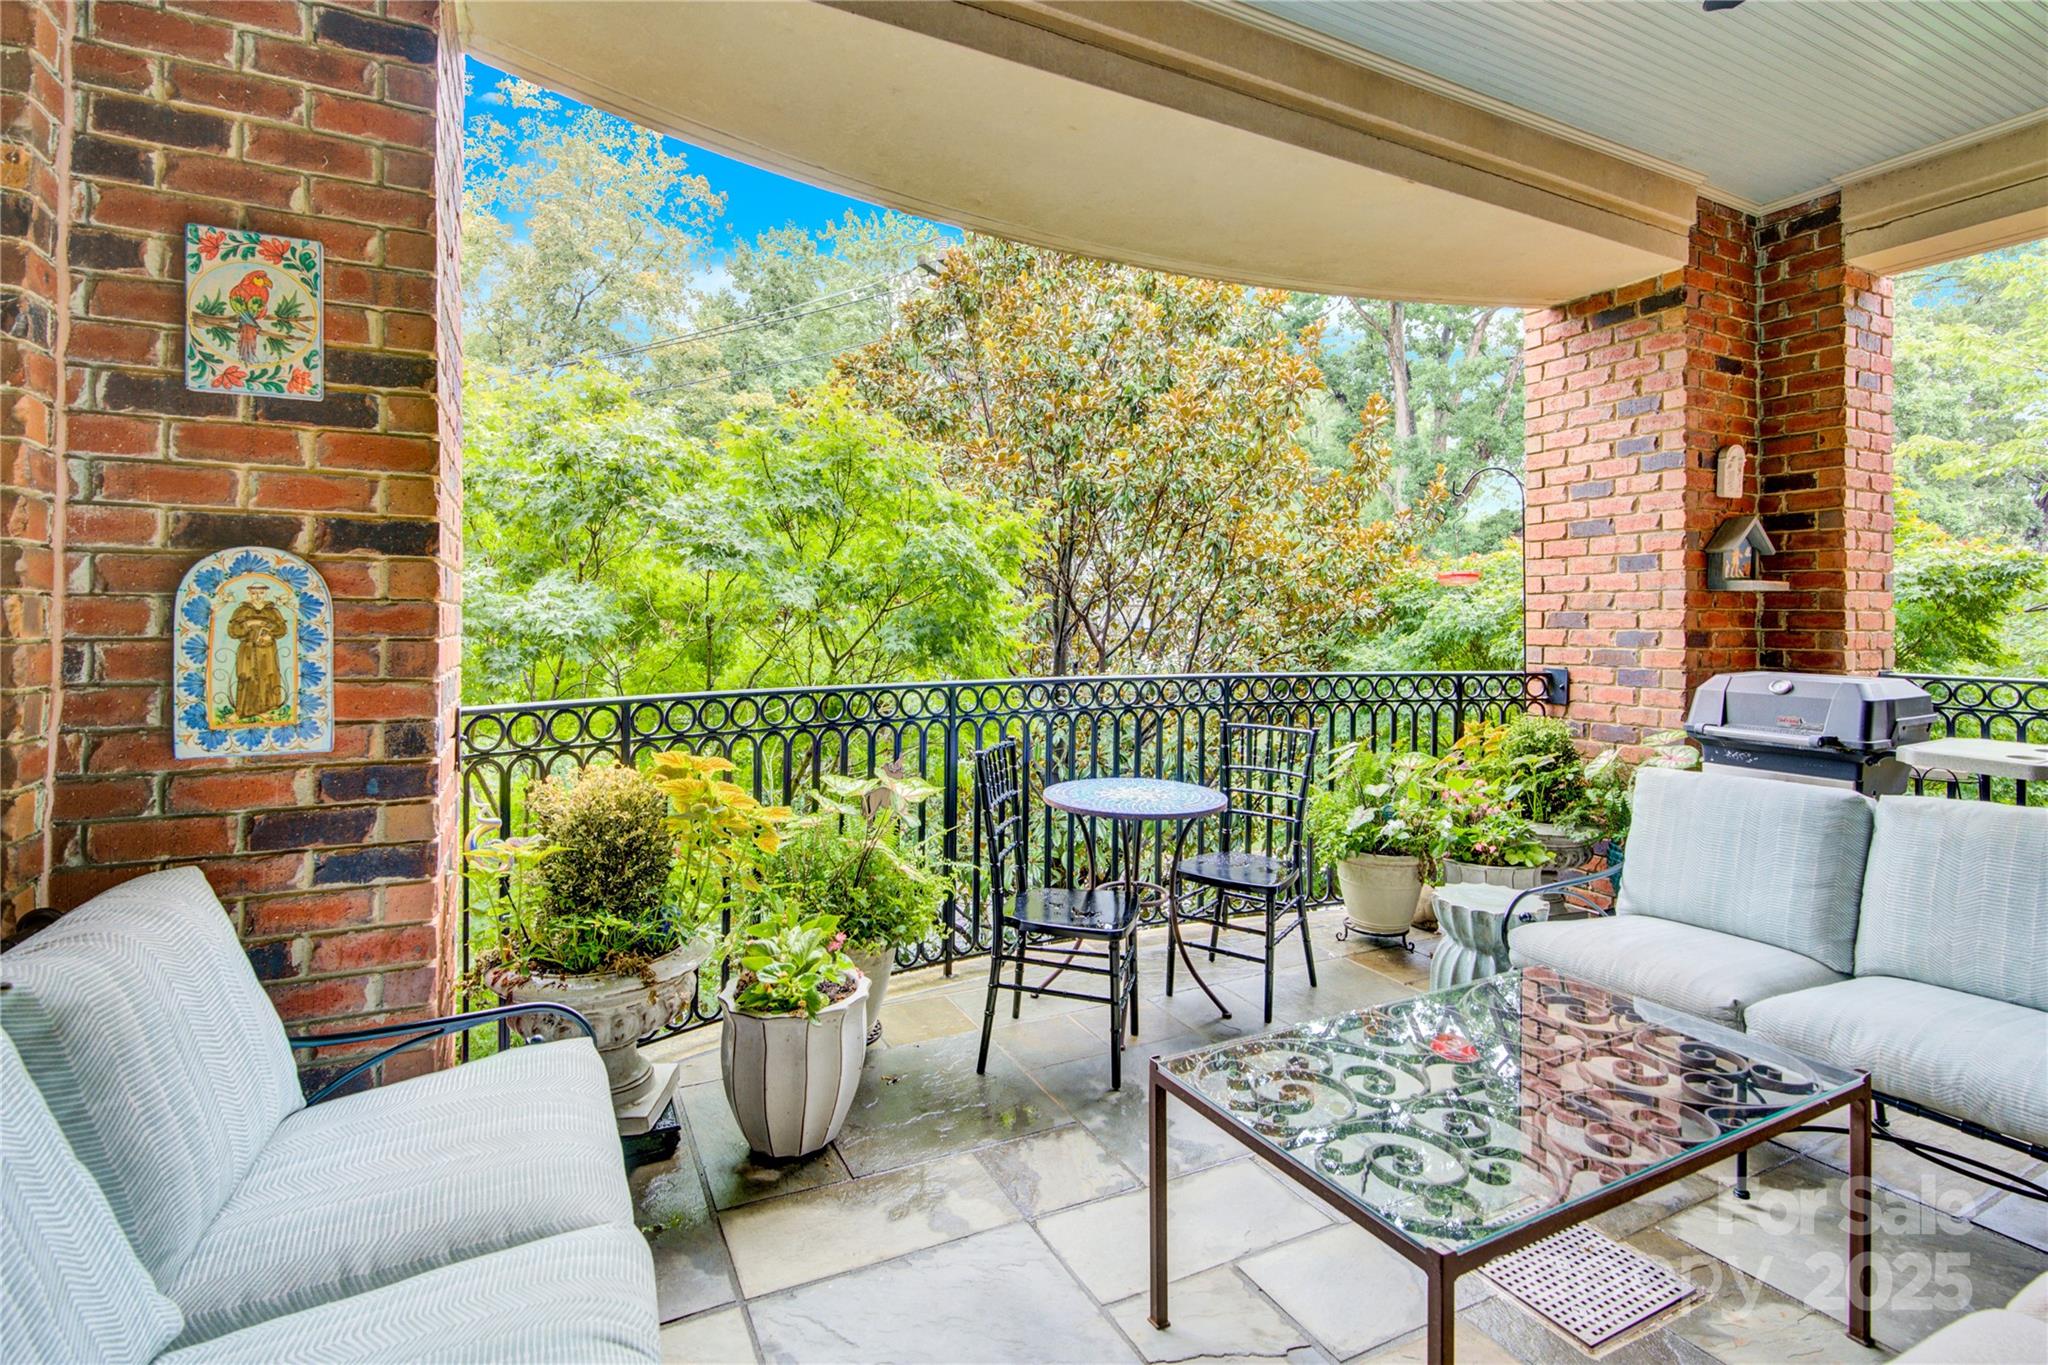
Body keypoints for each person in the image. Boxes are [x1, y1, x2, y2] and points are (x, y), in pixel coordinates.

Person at [226, 583, 290, 720]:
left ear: (265, 593)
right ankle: (240, 712)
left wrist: (270, 634)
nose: (257, 596)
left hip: (267, 650)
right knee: (246, 676)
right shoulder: (242, 610)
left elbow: (282, 629)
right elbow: (233, 631)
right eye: (254, 593)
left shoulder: (272, 611)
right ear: (249, 593)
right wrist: (248, 624)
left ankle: (262, 709)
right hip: (247, 649)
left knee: (266, 677)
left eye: (260, 593)